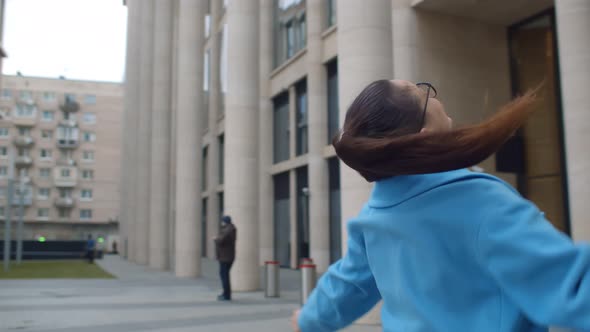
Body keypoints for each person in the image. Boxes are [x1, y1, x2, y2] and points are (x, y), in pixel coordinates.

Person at [292, 80, 590, 331]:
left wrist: (305, 321)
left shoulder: (374, 216)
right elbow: (571, 289)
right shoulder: (481, 203)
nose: (434, 96)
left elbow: (348, 286)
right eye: (423, 93)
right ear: (422, 136)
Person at [214, 215, 237, 301]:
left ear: (225, 221)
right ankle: (226, 293)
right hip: (228, 256)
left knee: (224, 276)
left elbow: (221, 240)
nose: (221, 222)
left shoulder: (227, 230)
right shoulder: (231, 229)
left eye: (222, 221)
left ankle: (226, 295)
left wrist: (216, 239)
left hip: (225, 257)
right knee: (225, 275)